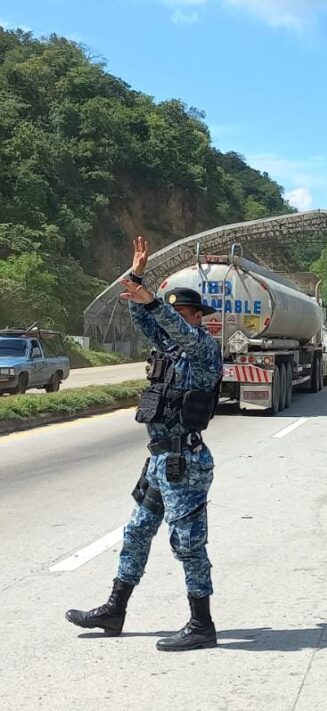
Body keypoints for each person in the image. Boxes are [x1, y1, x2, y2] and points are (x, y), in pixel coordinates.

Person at [66, 235, 224, 650]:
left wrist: (153, 301)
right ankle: (114, 610)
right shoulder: (169, 351)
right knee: (136, 531)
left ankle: (202, 625)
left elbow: (170, 325)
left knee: (188, 544)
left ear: (197, 317)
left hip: (185, 463)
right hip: (159, 461)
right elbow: (146, 320)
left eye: (181, 314)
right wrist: (137, 280)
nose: (173, 321)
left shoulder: (204, 350)